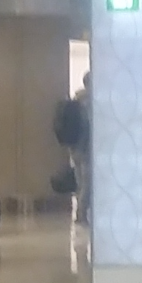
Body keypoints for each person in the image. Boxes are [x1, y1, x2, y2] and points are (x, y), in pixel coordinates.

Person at [55, 76, 92, 222]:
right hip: (86, 147)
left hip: (73, 146)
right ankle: (81, 213)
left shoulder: (76, 99)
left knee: (80, 182)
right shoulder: (90, 100)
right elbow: (89, 124)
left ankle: (80, 212)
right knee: (87, 183)